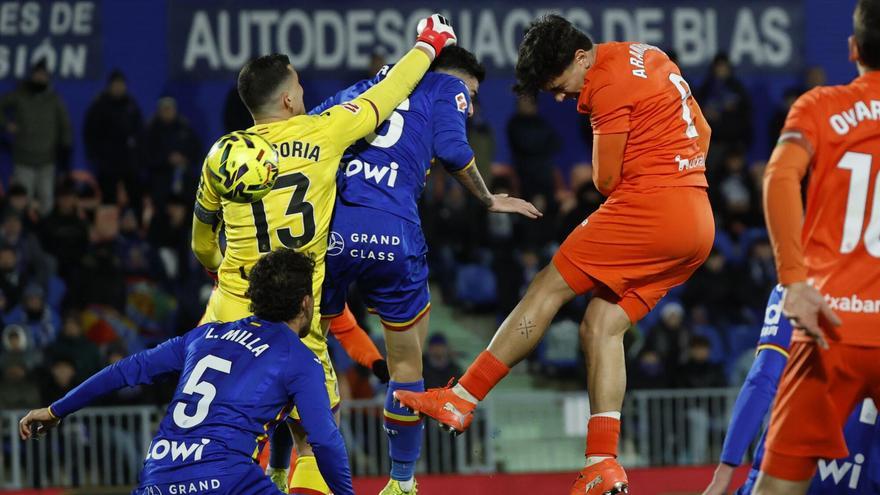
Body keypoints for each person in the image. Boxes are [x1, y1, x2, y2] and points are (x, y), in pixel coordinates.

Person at [395, 14, 714, 495]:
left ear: (581, 57)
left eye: (560, 86)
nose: (563, 99)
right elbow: (702, 133)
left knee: (548, 286)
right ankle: (602, 463)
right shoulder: (649, 55)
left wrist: (648, 182)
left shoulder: (606, 83)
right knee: (601, 324)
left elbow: (605, 180)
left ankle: (462, 397)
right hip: (697, 221)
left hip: (651, 207)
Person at [190, 15, 457, 495]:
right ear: (288, 99)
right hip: (297, 322)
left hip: (231, 311)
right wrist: (429, 43)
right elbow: (388, 93)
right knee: (313, 441)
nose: (303, 90)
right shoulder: (323, 133)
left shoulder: (221, 155)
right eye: (298, 83)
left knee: (227, 440)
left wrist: (215, 269)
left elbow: (201, 243)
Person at [293, 45, 538, 495]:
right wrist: (488, 199)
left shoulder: (372, 85)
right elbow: (453, 149)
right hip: (395, 235)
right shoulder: (445, 86)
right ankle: (401, 482)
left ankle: (294, 470)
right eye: (471, 94)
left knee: (305, 355)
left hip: (335, 232)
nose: (470, 105)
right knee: (407, 364)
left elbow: (309, 133)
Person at [19, 248, 355, 495]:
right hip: (227, 480)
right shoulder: (300, 359)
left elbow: (124, 371)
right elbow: (324, 441)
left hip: (158, 478)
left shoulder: (203, 336)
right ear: (306, 302)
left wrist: (56, 409)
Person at [752, 1, 880, 493]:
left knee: (777, 487)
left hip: (830, 325)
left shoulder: (820, 106)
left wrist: (794, 282)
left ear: (853, 49)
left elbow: (779, 176)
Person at [704, 286, 880, 495]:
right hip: (864, 465)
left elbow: (763, 378)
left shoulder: (795, 287)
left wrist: (727, 467)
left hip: (793, 459)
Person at [0, 60, 72, 215]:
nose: (40, 78)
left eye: (43, 75)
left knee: (47, 203)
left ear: (48, 78)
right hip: (23, 160)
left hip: (47, 161)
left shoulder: (54, 99)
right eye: (37, 74)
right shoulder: (19, 95)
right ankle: (20, 229)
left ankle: (44, 230)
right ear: (31, 75)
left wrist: (65, 151)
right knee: (20, 203)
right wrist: (5, 124)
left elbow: (65, 126)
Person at [83, 70, 143, 209]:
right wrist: (96, 156)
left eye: (121, 84)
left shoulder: (131, 105)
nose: (118, 87)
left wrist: (137, 157)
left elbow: (140, 133)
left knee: (135, 197)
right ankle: (109, 223)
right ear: (109, 86)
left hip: (128, 162)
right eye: (115, 84)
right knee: (108, 199)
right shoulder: (99, 105)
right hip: (107, 163)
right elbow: (90, 133)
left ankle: (134, 221)